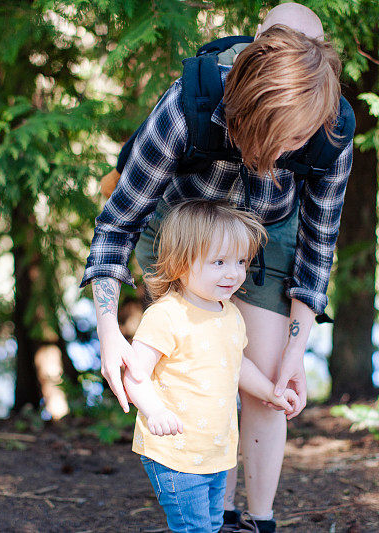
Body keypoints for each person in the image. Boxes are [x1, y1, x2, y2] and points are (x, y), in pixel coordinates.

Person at [81, 5, 352, 532]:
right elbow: (116, 227)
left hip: (270, 231)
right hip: (186, 225)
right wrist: (110, 333)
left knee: (268, 379)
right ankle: (216, 516)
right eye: (273, 142)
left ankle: (259, 520)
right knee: (204, 367)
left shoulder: (329, 130)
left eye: (294, 145)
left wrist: (296, 352)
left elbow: (318, 247)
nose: (280, 159)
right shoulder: (189, 110)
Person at [123, 200, 299, 533]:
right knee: (195, 528)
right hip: (175, 453)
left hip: (217, 451)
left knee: (214, 524)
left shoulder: (229, 312)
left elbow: (238, 365)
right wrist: (154, 411)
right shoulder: (166, 315)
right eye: (219, 262)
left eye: (241, 261)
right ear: (180, 262)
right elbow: (135, 373)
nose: (234, 273)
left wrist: (271, 393)